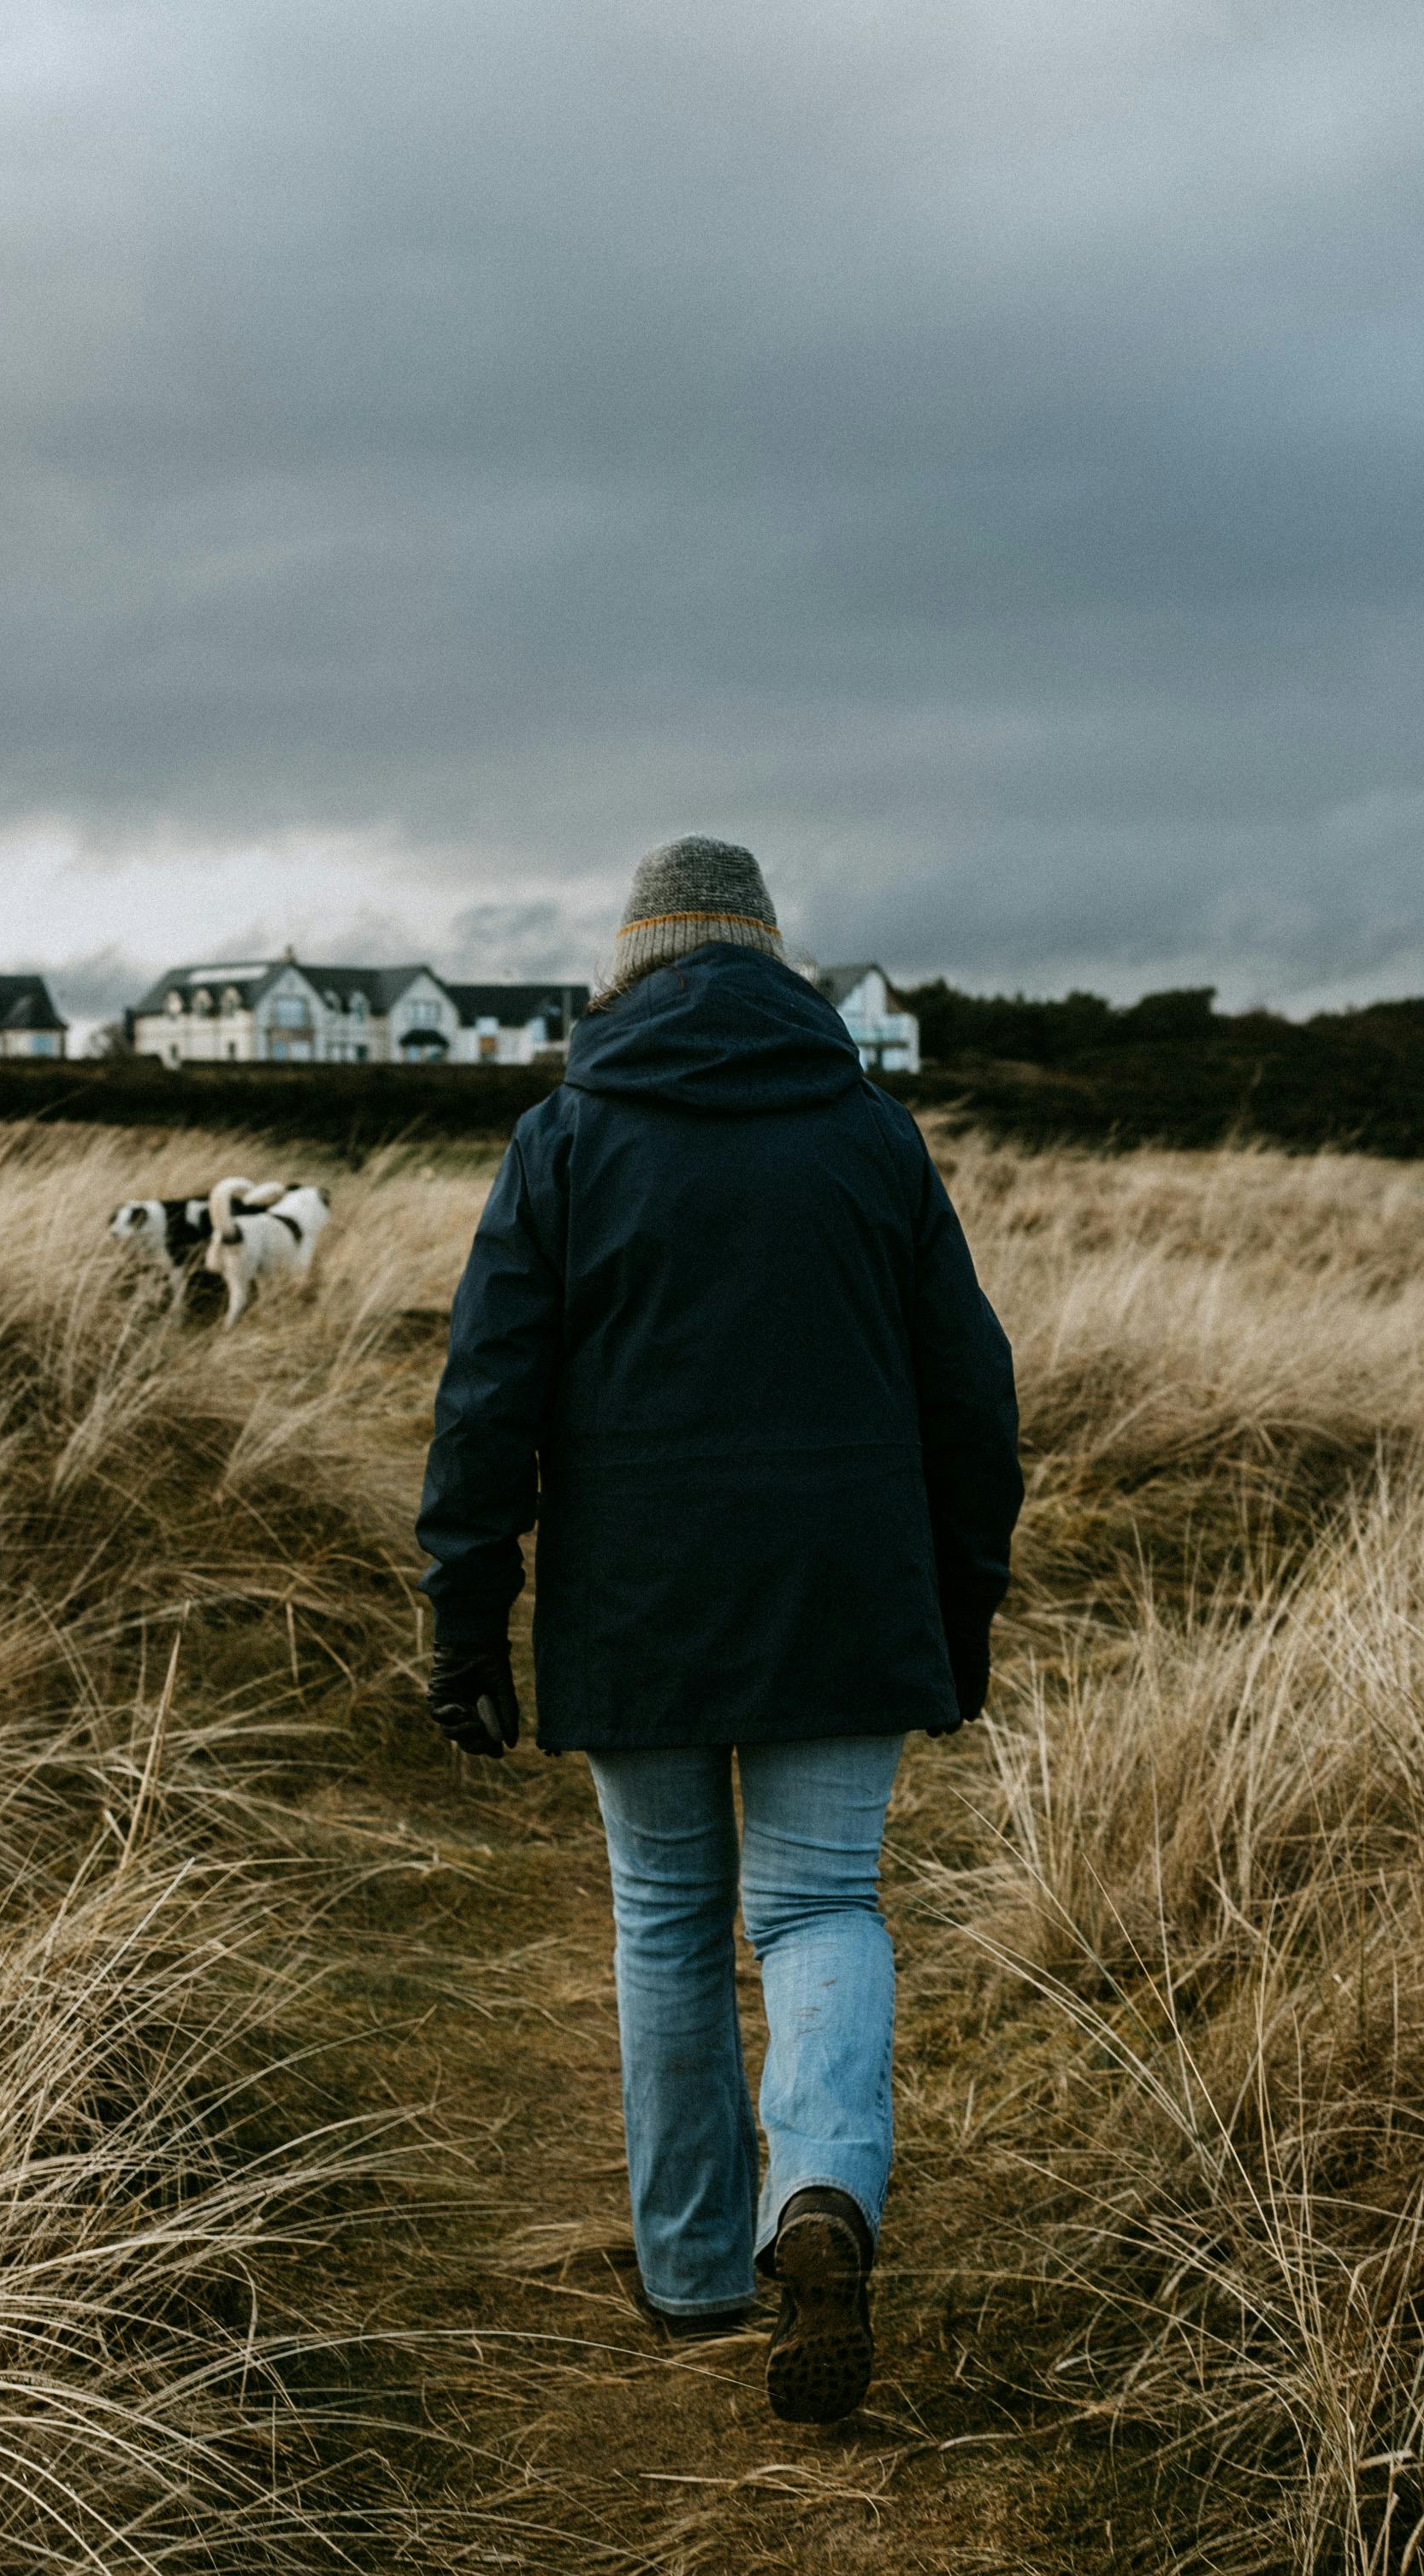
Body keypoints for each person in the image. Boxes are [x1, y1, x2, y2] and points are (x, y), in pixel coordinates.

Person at [416, 838, 1022, 2423]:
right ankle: (820, 2198)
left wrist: (463, 1622)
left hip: (639, 1604)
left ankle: (691, 2274)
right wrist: (958, 1609)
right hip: (845, 1592)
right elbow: (975, 1399)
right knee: (821, 1907)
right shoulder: (873, 1138)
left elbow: (486, 1398)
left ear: (627, 971)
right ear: (774, 968)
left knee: (670, 1922)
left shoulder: (564, 1139)